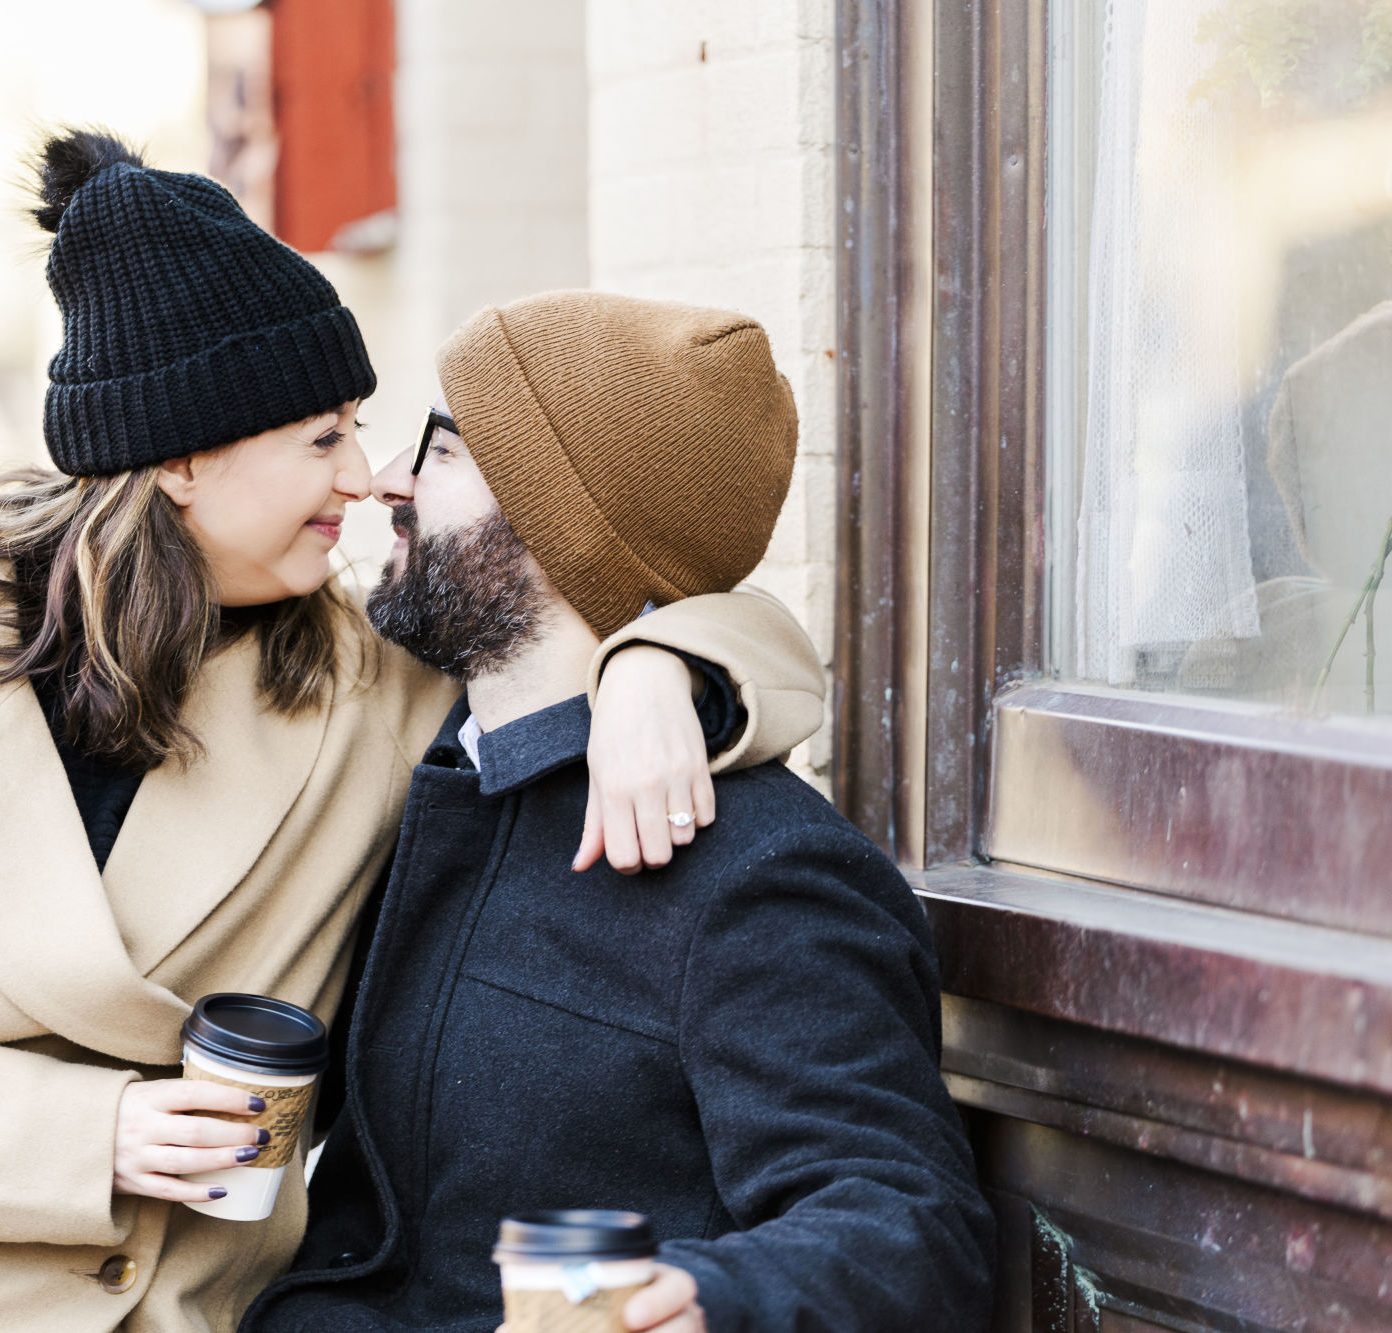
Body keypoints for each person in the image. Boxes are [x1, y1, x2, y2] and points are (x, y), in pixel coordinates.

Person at [0, 134, 818, 1333]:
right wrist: (88, 1134)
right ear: (187, 457)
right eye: (323, 435)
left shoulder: (373, 687)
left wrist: (665, 662)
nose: (365, 477)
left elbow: (602, 600)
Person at [241, 292, 997, 1333]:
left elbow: (906, 1225)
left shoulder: (759, 873)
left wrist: (696, 1301)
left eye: (444, 453)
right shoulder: (431, 768)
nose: (388, 482)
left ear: (559, 528)